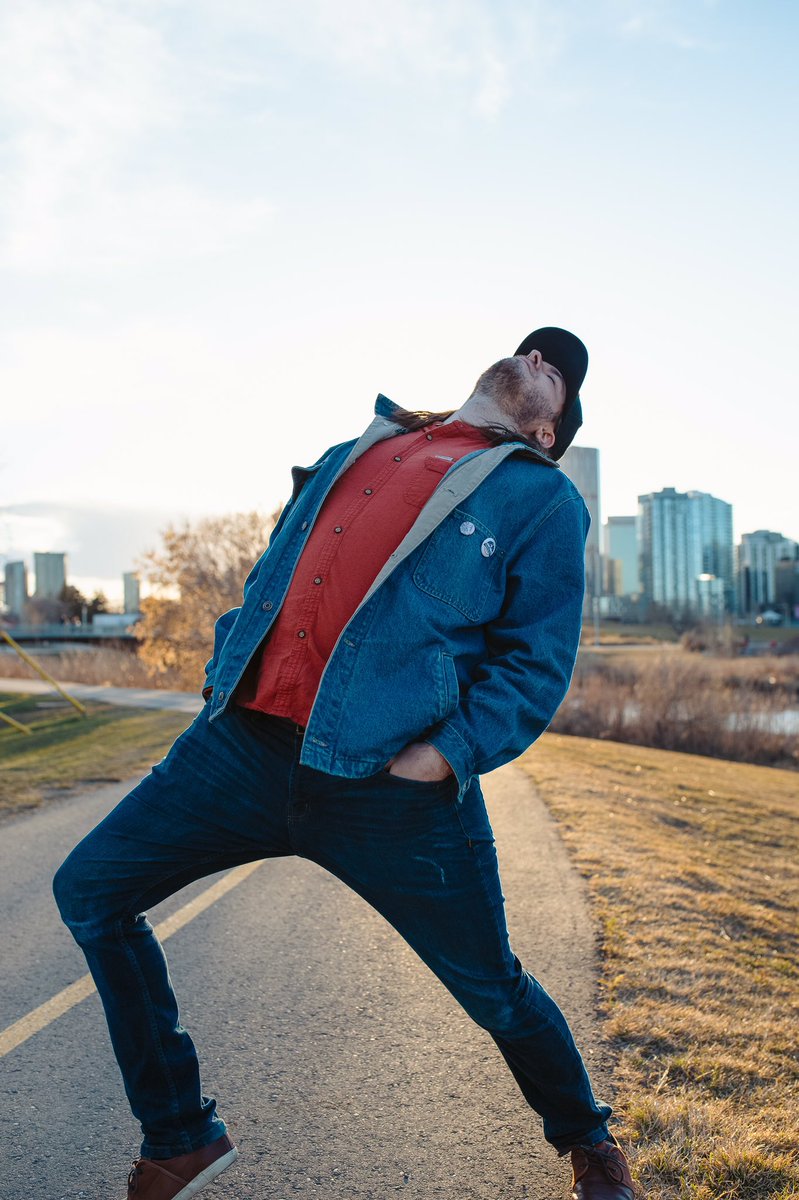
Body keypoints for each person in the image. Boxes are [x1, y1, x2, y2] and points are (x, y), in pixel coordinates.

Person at [54, 326, 636, 1200]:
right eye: (533, 349)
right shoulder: (365, 446)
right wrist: (223, 672)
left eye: (558, 373)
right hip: (239, 751)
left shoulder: (541, 501)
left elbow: (534, 664)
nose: (538, 359)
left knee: (492, 987)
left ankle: (587, 1142)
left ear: (549, 432)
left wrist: (446, 756)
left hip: (387, 792)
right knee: (89, 893)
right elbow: (273, 574)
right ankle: (180, 1133)